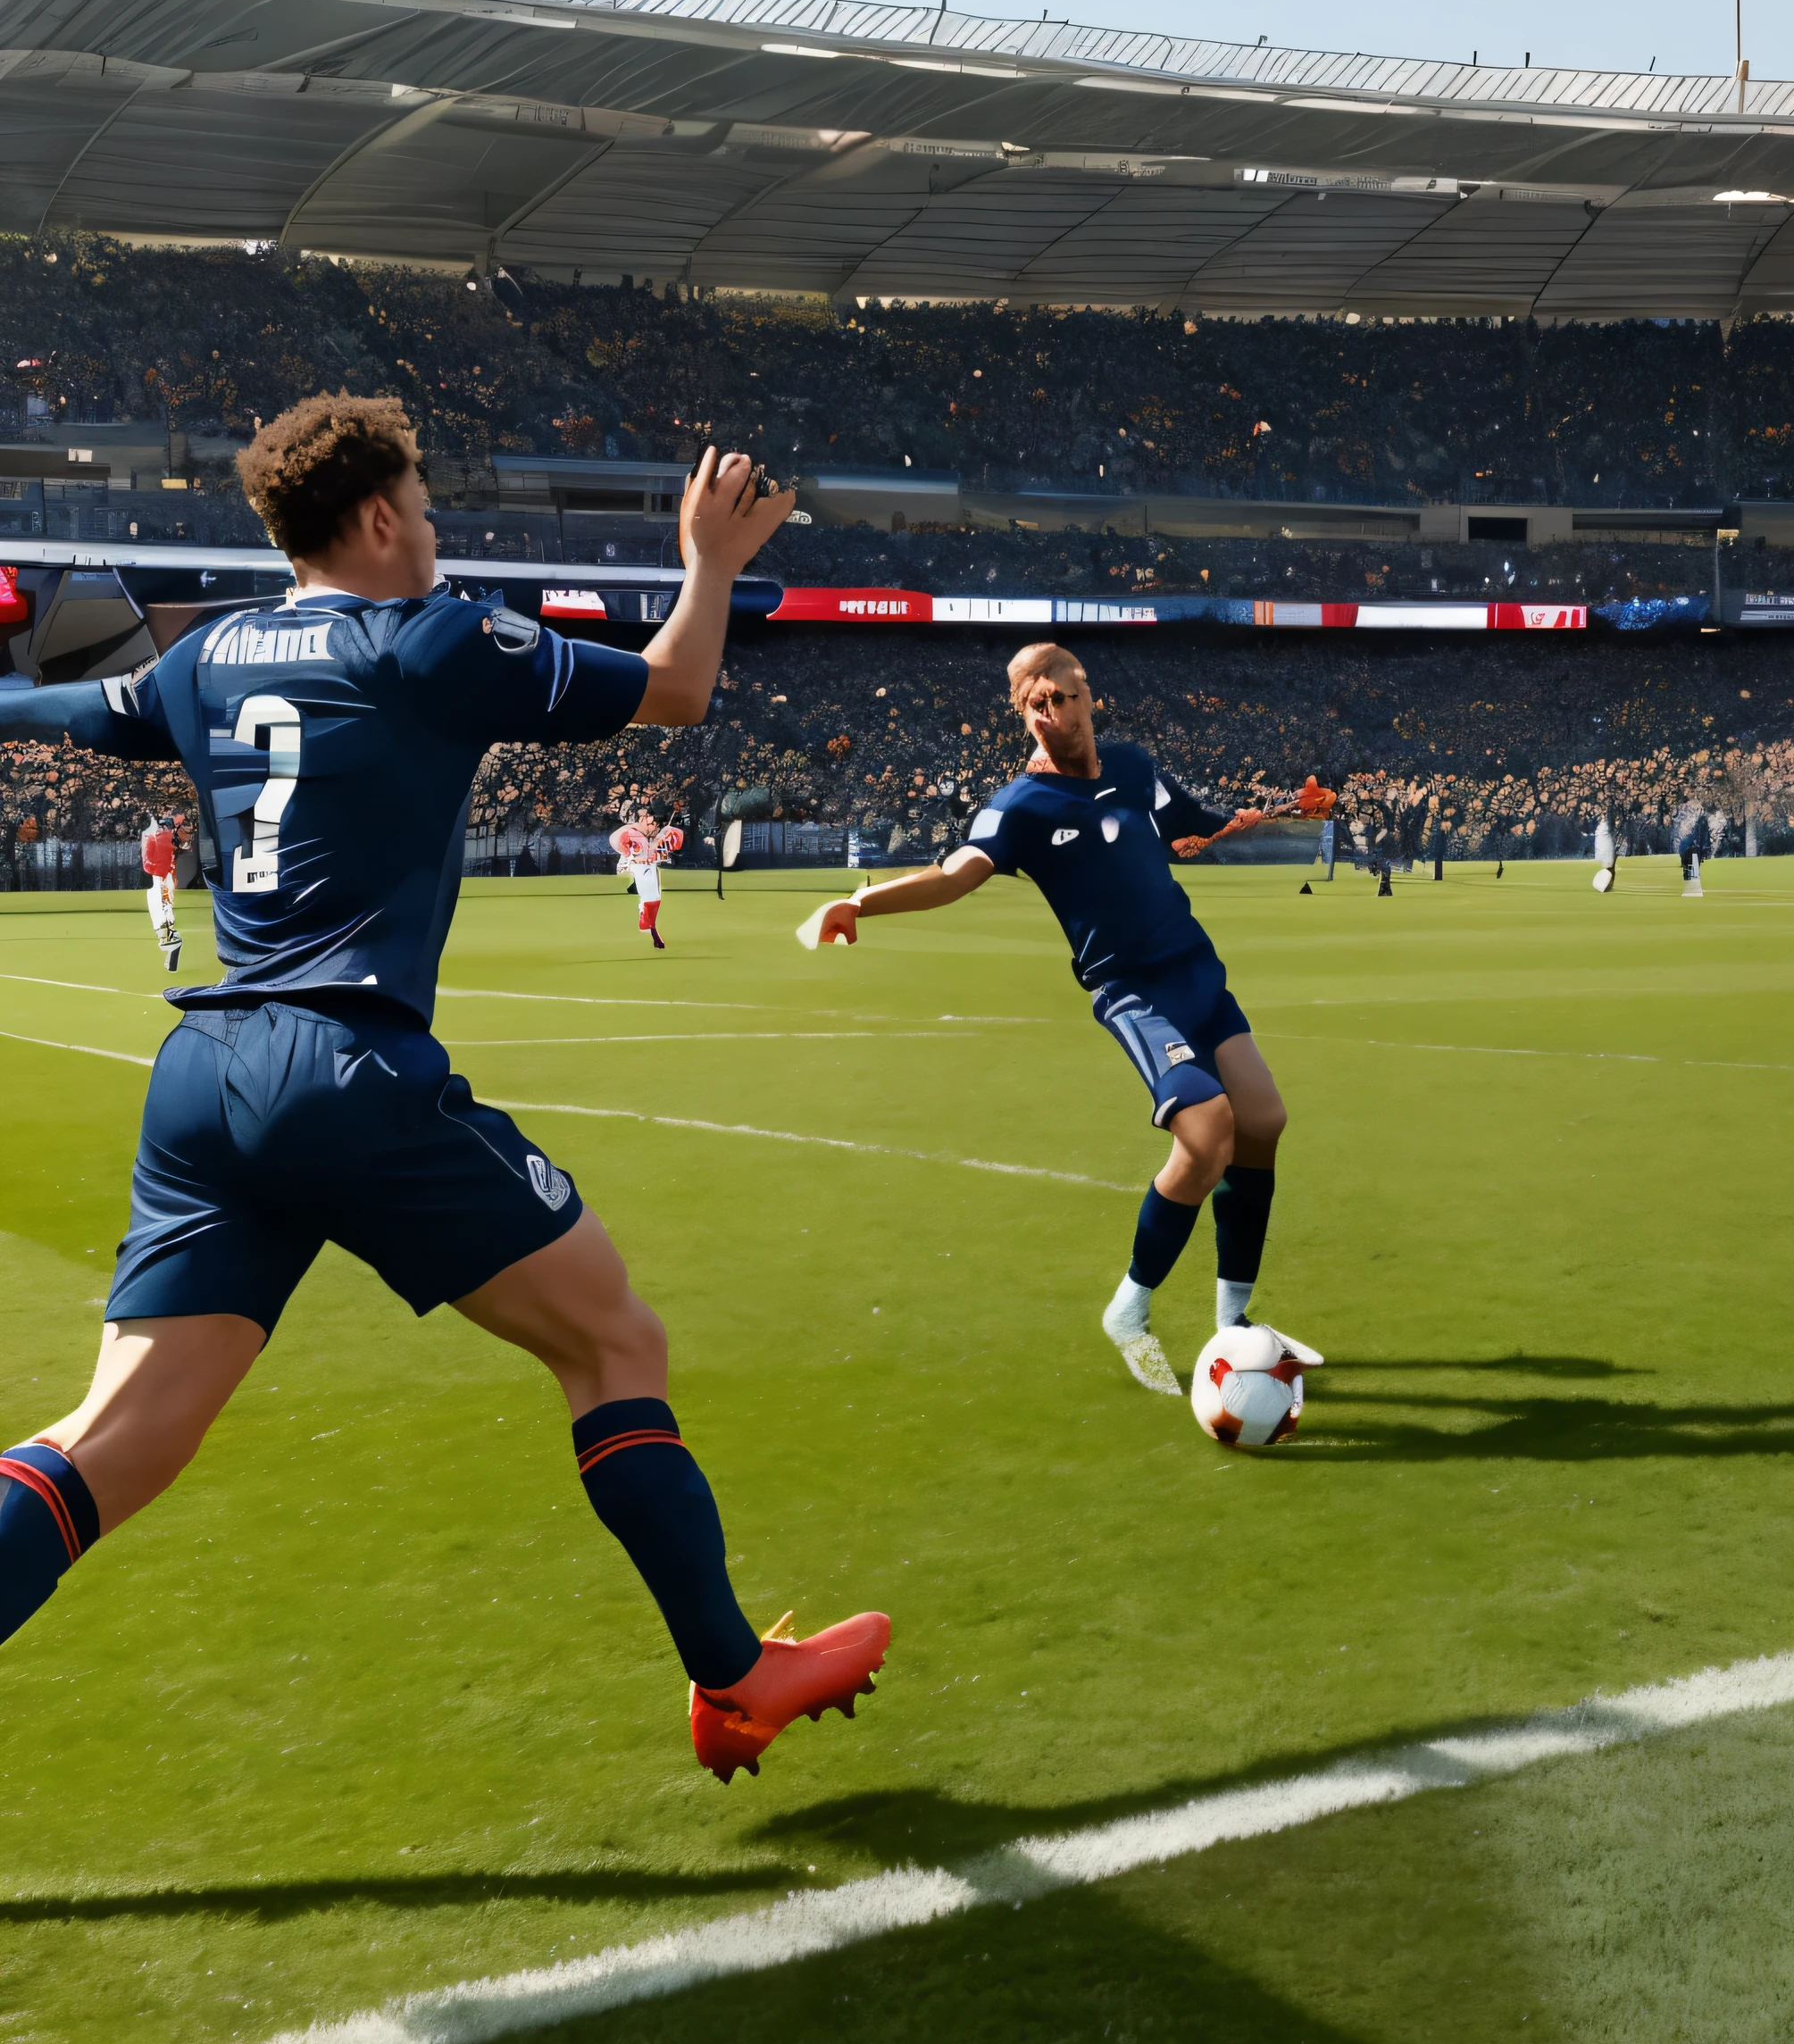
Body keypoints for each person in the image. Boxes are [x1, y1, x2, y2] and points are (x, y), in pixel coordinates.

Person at [0, 395, 888, 1786]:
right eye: (423, 502)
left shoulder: (214, 651)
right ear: (375, 518)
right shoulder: (433, 638)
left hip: (204, 1079)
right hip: (344, 1068)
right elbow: (677, 688)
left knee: (113, 1443)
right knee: (613, 1345)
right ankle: (732, 1680)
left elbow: (74, 711)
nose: (436, 526)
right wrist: (707, 563)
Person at [799, 645, 1335, 1394]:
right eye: (1033, 703)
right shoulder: (1019, 805)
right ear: (1022, 714)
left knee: (1265, 1120)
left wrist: (1276, 812)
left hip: (1195, 969)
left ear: (1089, 697)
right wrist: (861, 902)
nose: (1050, 712)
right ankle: (1131, 1311)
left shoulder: (1134, 766)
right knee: (1208, 1129)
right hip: (1133, 991)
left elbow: (1192, 826)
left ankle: (1233, 1322)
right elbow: (955, 875)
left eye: (1060, 695)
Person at [612, 807, 686, 949]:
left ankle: (650, 927)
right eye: (651, 823)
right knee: (650, 898)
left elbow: (669, 846)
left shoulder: (655, 836)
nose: (653, 827)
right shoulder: (633, 834)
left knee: (654, 899)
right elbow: (624, 844)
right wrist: (632, 858)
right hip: (640, 869)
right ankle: (651, 930)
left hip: (649, 867)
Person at [140, 811, 179, 972]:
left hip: (161, 876)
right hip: (162, 875)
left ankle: (169, 938)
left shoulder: (161, 837)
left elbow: (151, 862)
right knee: (160, 905)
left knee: (160, 905)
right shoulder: (163, 836)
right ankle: (169, 938)